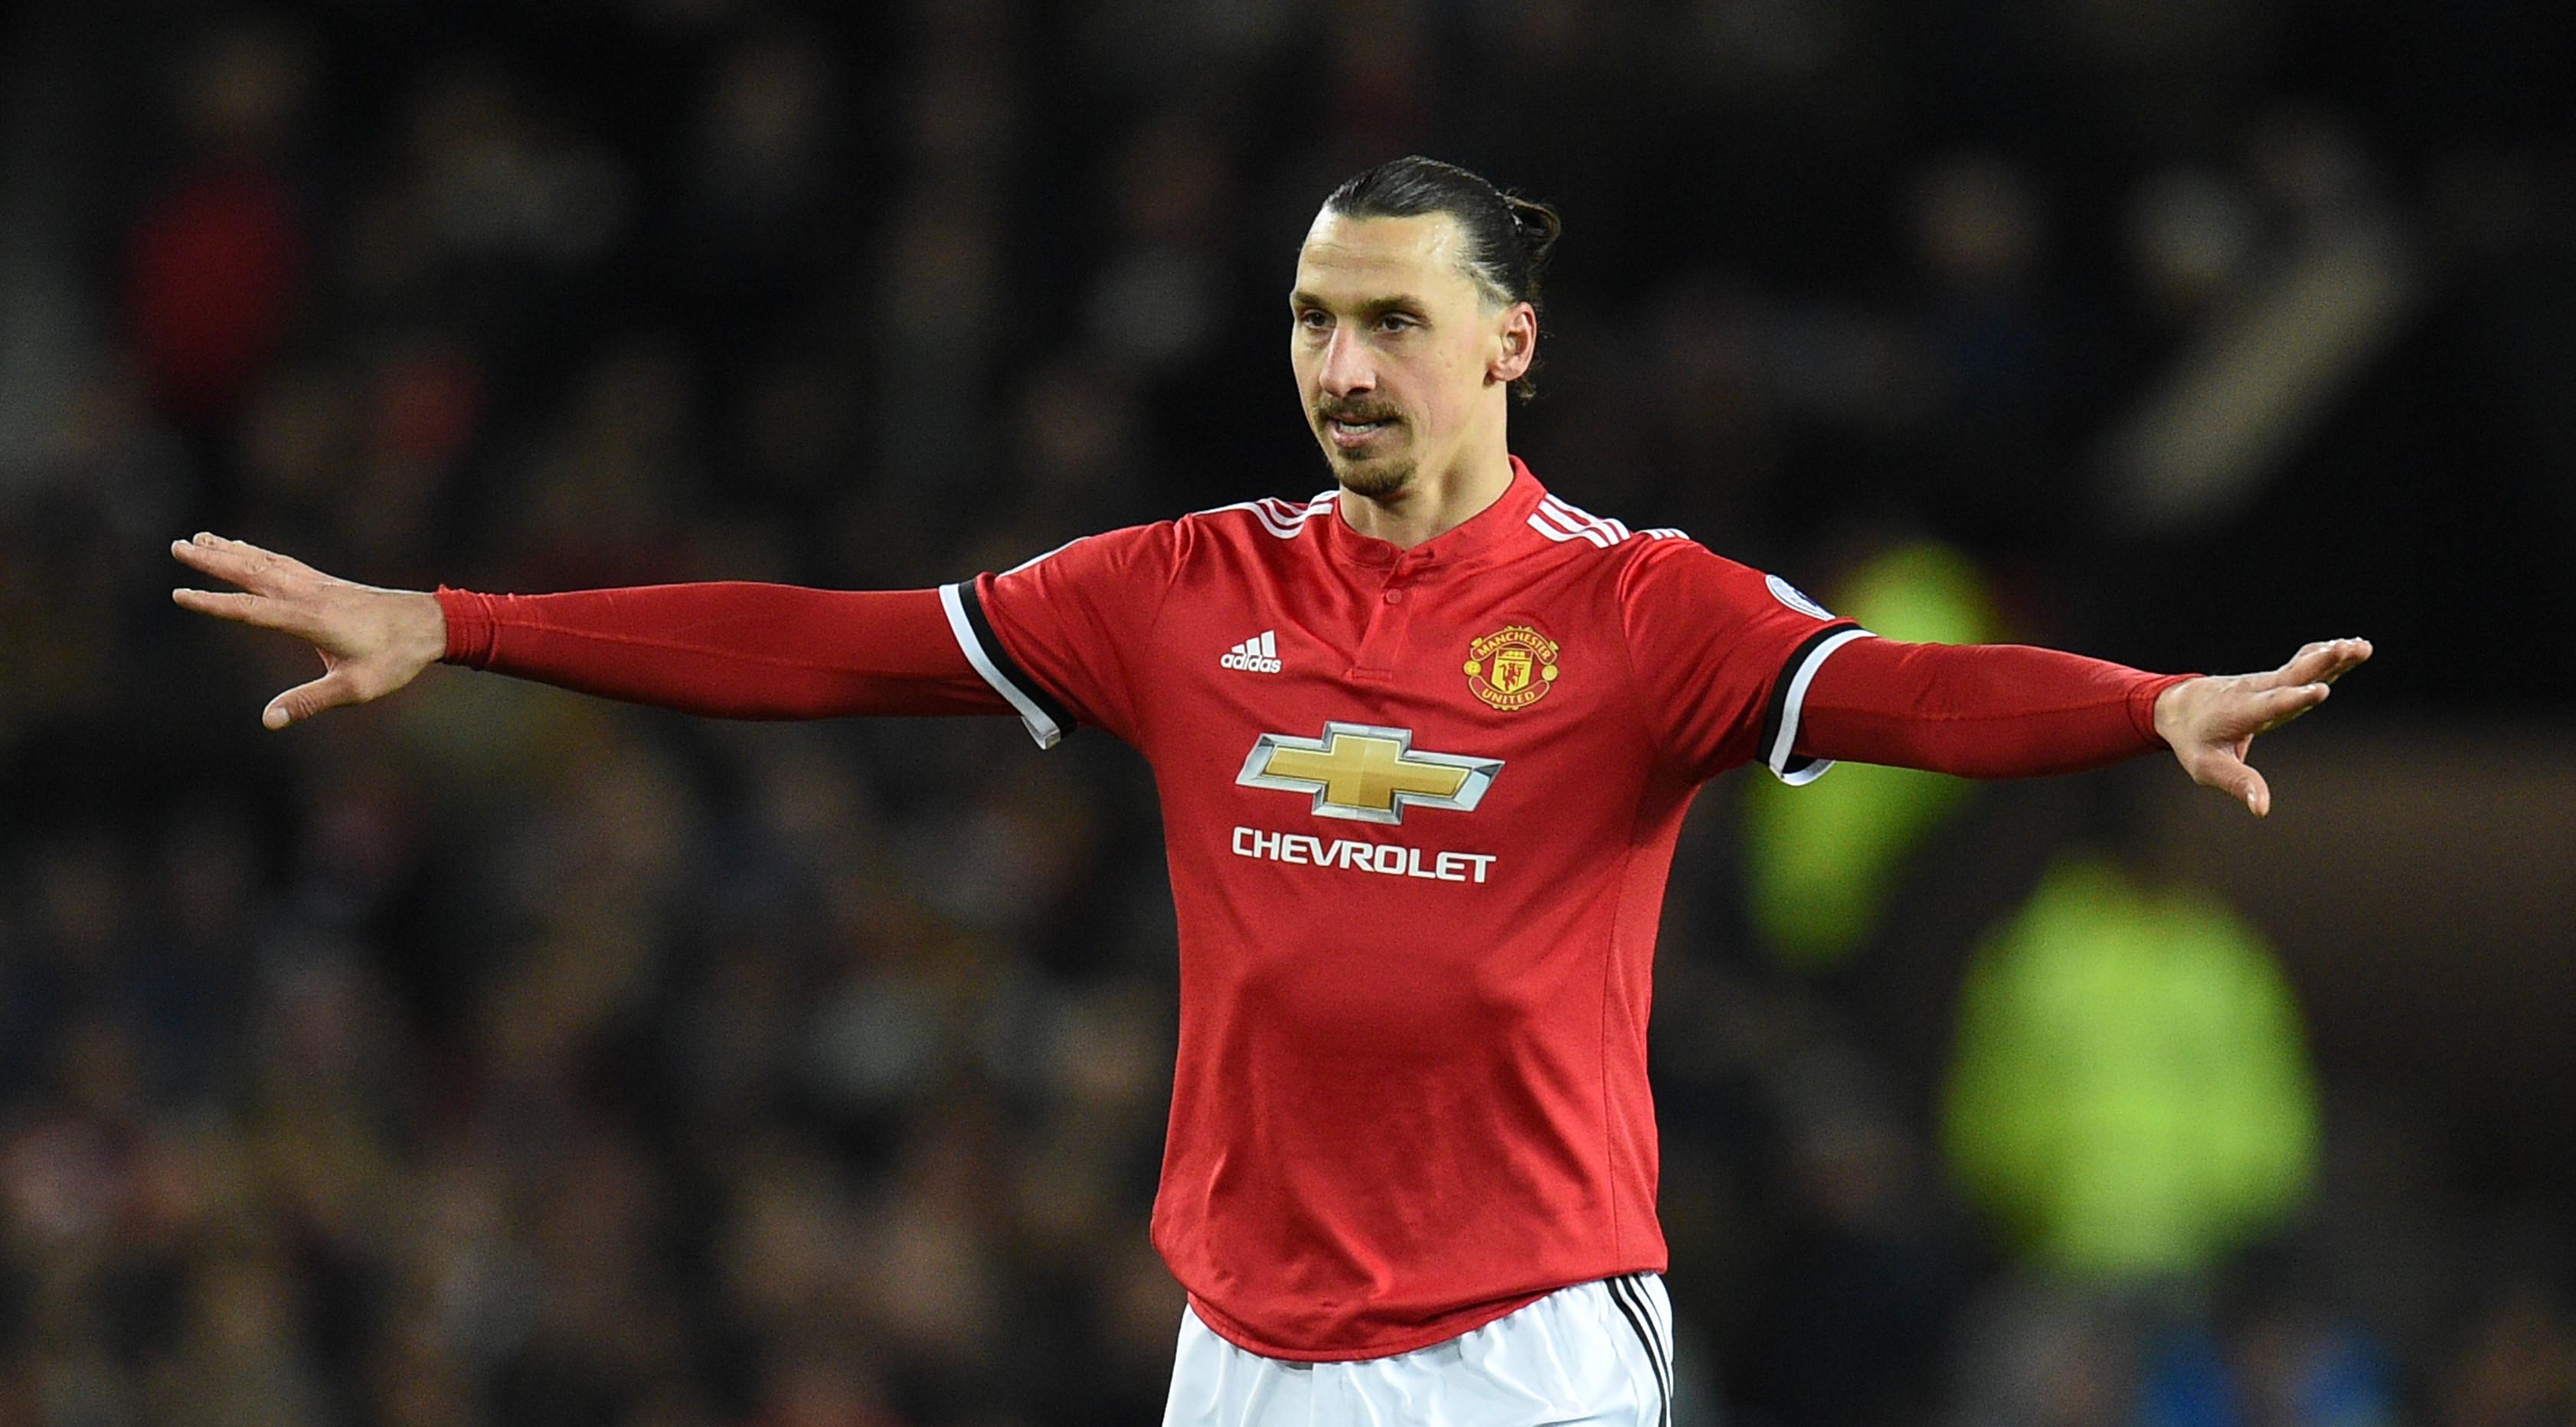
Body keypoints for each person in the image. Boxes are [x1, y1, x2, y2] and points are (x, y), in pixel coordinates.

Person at [172, 156, 2369, 1426]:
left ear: (1508, 341)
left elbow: (1893, 690)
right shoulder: (1182, 591)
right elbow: (833, 646)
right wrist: (465, 621)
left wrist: (2143, 707)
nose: (1340, 366)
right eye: (1315, 319)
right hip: (1240, 1346)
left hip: (1519, 1345)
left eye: (1392, 321)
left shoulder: (1640, 613)